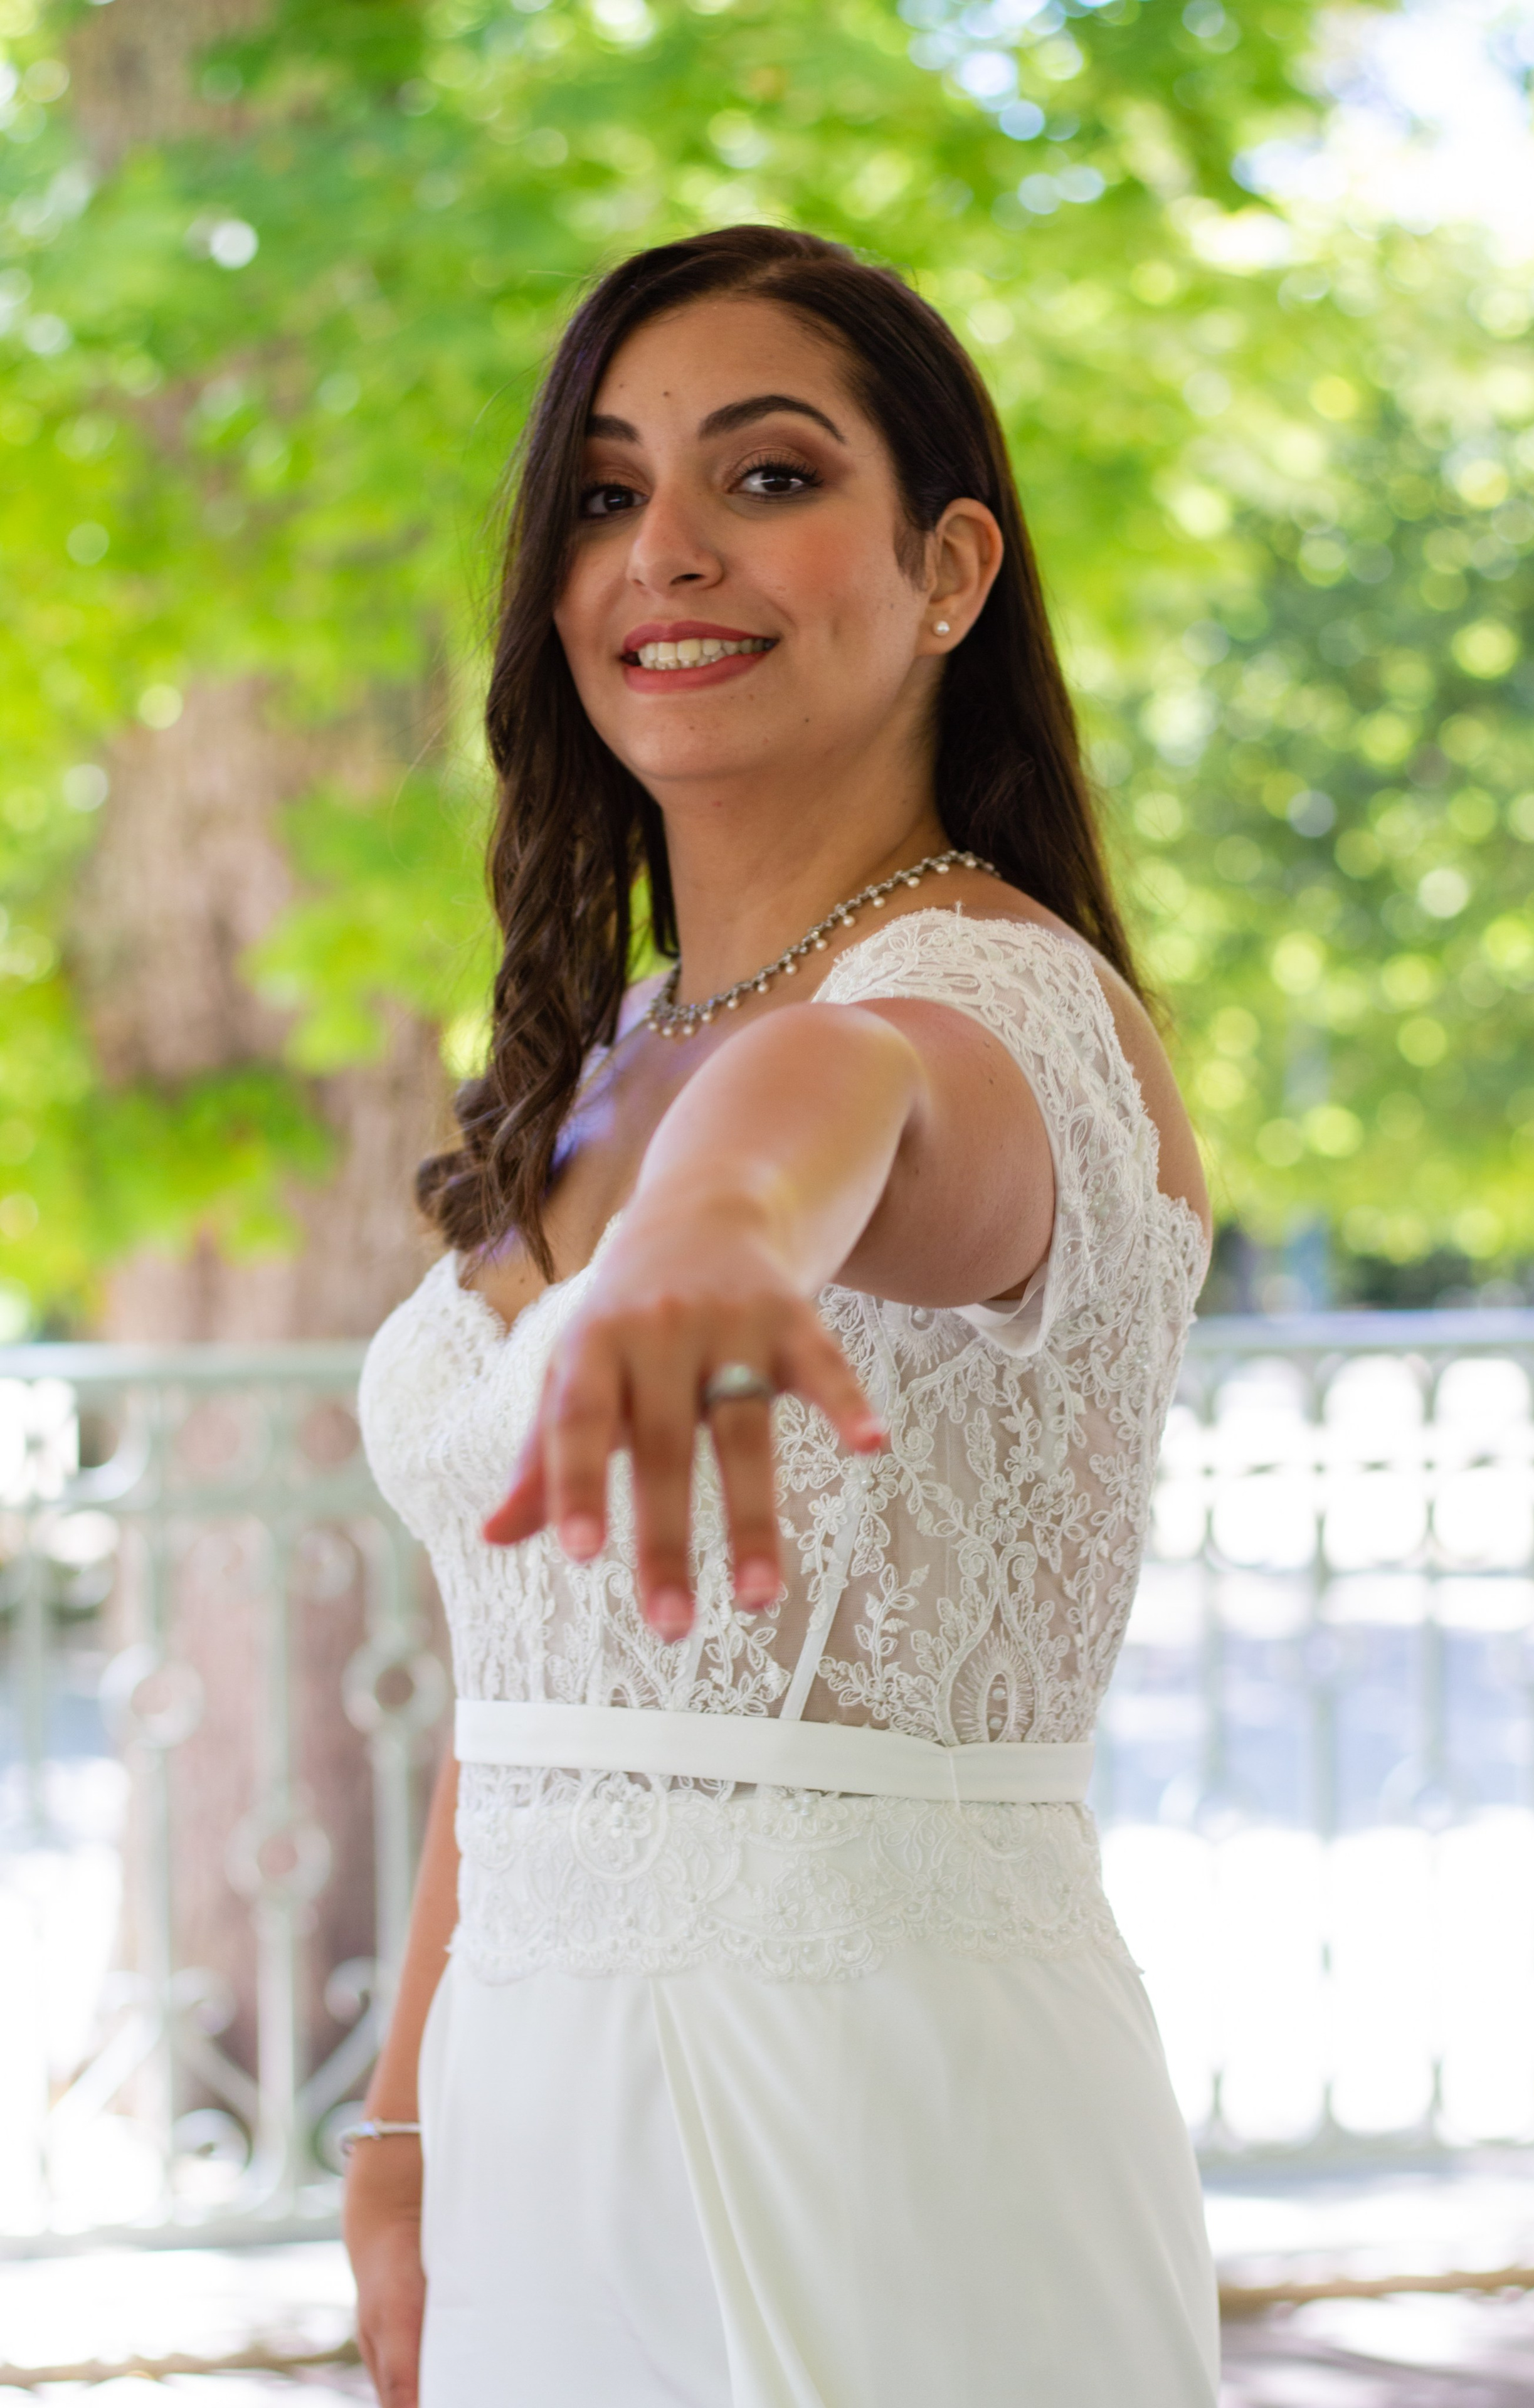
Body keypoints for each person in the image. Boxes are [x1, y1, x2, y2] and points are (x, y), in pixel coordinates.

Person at [345, 224, 1217, 2408]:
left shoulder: (997, 1002)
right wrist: (400, 2116)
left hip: (864, 2122)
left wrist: (716, 1235)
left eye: (766, 478)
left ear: (950, 571)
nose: (669, 556)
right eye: (607, 495)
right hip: (540, 2126)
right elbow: (533, 1655)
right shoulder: (604, 1047)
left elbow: (865, 1096)